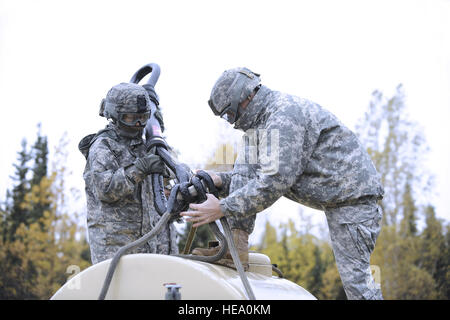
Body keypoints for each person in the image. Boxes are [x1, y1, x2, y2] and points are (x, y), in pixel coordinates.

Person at [181, 67, 384, 300]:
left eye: (229, 115)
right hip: (337, 200)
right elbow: (253, 175)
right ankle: (235, 248)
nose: (231, 122)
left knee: (358, 284)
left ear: (245, 99)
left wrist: (222, 207)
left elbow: (274, 181)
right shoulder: (261, 126)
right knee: (246, 159)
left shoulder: (282, 117)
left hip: (353, 203)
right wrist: (219, 180)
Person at [79, 82, 178, 264]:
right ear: (115, 116)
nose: (138, 124)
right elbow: (105, 189)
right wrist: (139, 169)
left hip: (151, 248)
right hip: (116, 250)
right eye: (131, 118)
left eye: (143, 117)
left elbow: (175, 168)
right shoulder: (103, 146)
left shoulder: (145, 144)